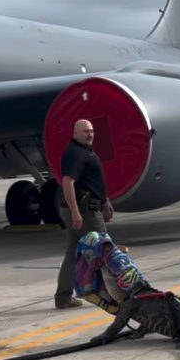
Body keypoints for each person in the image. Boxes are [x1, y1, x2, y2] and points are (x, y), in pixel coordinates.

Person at [54, 119, 114, 309]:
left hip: (87, 207)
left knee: (72, 253)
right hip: (85, 211)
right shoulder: (75, 153)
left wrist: (105, 200)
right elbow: (67, 182)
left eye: (92, 131)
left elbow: (91, 181)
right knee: (105, 250)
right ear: (75, 133)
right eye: (86, 131)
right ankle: (113, 294)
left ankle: (63, 297)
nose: (90, 134)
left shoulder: (85, 151)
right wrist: (75, 212)